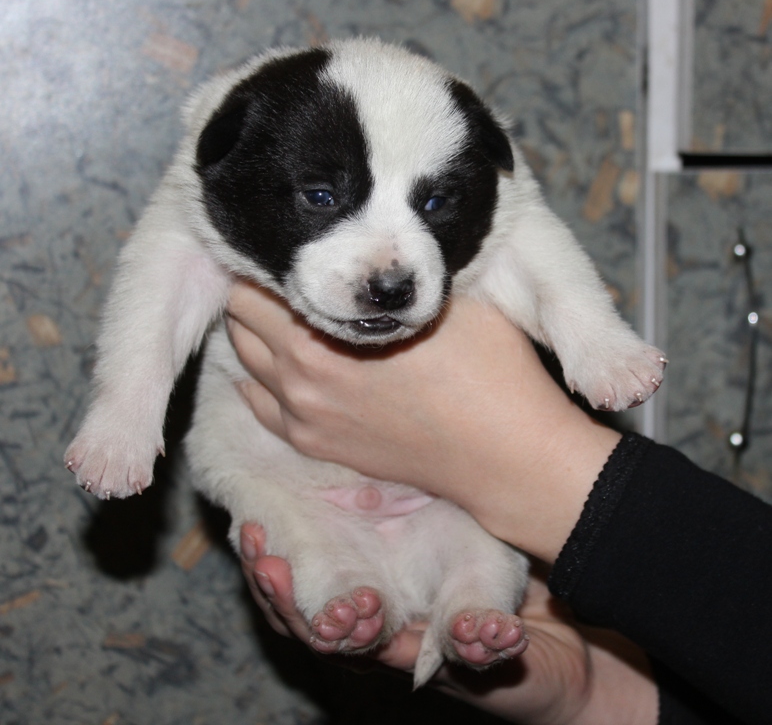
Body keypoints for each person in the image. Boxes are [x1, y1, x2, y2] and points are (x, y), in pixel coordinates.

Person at [225, 282, 772, 725]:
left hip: (436, 511)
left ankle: (460, 596)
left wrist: (545, 465)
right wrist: (594, 693)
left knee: (476, 553)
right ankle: (357, 583)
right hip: (309, 494)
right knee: (305, 540)